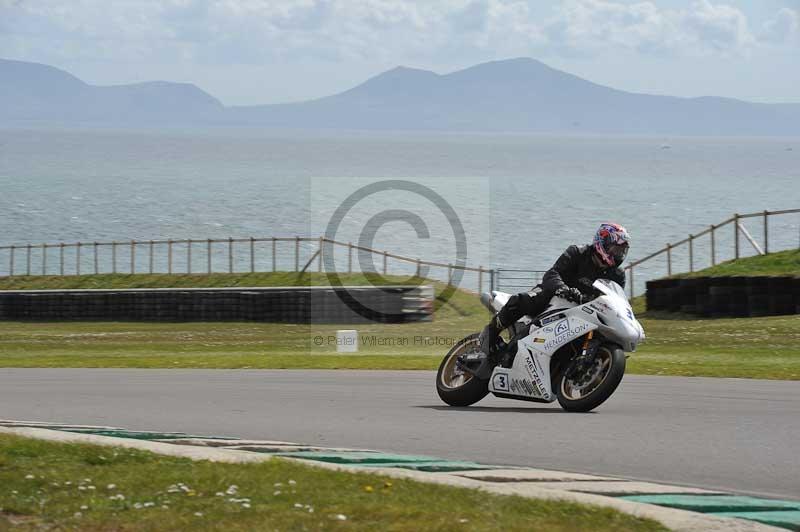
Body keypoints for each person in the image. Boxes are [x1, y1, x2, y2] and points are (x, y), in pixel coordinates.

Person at [479, 223, 631, 355]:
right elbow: (553, 273)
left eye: (622, 251)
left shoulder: (618, 275)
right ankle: (491, 333)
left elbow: (615, 300)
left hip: (584, 310)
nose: (619, 254)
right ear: (602, 242)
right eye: (615, 249)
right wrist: (564, 289)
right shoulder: (577, 253)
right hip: (555, 295)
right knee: (527, 300)